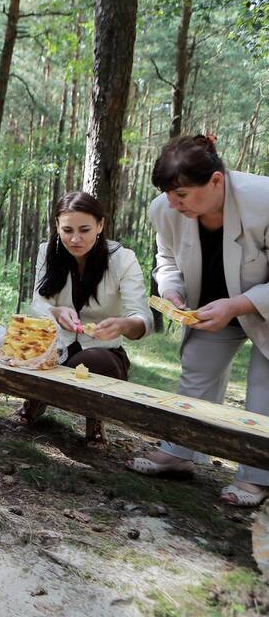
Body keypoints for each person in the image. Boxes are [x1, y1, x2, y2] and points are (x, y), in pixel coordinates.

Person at [126, 135, 269, 507]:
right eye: (169, 195)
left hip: (263, 308)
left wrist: (238, 304)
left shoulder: (264, 200)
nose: (173, 204)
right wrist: (171, 289)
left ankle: (255, 477)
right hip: (208, 308)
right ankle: (179, 453)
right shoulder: (165, 209)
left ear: (217, 181)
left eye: (183, 195)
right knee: (196, 373)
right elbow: (167, 259)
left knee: (263, 387)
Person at [13, 191, 152, 445]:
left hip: (102, 351)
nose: (75, 239)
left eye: (85, 230)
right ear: (56, 226)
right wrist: (54, 312)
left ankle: (93, 418)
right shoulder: (48, 251)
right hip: (56, 345)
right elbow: (38, 302)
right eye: (66, 230)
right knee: (29, 347)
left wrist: (123, 325)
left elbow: (141, 316)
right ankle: (35, 399)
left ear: (100, 225)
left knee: (91, 361)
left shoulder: (123, 259)